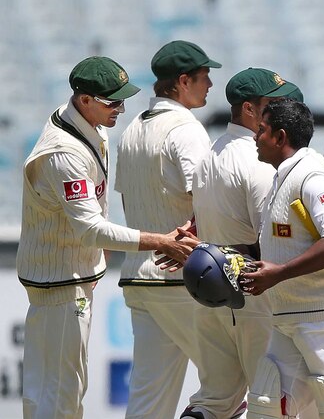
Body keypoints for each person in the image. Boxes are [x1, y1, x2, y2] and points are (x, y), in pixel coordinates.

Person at [17, 56, 198, 419]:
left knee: (50, 389)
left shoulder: (86, 123)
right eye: (112, 101)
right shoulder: (64, 153)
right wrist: (161, 241)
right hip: (60, 285)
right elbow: (91, 230)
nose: (121, 108)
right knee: (62, 394)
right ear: (84, 100)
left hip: (63, 279)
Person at [179, 68, 304, 419]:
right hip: (254, 292)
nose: (283, 110)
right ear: (249, 109)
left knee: (214, 400)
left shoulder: (210, 152)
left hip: (212, 290)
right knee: (269, 399)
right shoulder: (260, 161)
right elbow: (270, 241)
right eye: (274, 104)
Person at [240, 97, 324, 418]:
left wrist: (278, 273)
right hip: (288, 316)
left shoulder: (313, 175)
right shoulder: (281, 177)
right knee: (267, 407)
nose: (255, 137)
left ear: (280, 137)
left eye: (261, 130)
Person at [115, 40, 221, 419]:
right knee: (231, 385)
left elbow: (129, 206)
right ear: (182, 81)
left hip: (139, 280)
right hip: (182, 279)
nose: (210, 85)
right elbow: (207, 201)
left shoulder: (130, 131)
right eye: (204, 77)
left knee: (148, 399)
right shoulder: (186, 129)